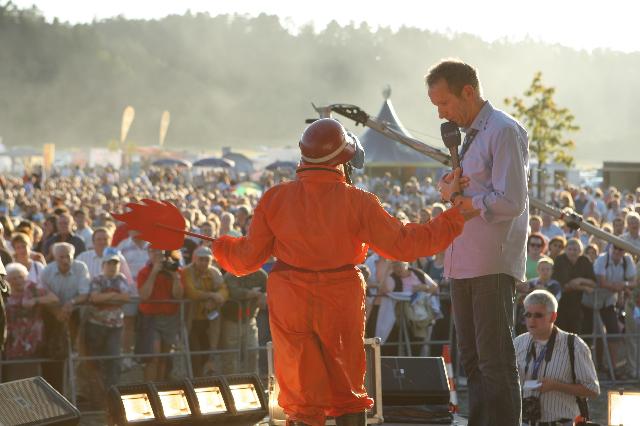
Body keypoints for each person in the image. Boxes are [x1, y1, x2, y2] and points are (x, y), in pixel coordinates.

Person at [212, 118, 468, 426]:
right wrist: (454, 216)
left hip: (290, 299)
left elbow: (245, 260)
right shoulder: (358, 201)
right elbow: (405, 244)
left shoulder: (275, 198)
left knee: (302, 396)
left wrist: (221, 246)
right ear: (343, 160)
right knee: (347, 390)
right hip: (340, 298)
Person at [426, 59, 529, 425]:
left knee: (494, 361)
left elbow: (512, 201)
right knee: (472, 361)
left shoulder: (503, 130)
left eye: (444, 102)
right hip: (462, 262)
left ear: (467, 92)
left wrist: (463, 201)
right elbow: (471, 191)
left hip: (490, 262)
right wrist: (449, 188)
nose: (441, 113)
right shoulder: (469, 136)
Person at [514, 290, 599, 425]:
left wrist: (556, 386)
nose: (531, 320)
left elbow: (592, 390)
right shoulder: (518, 343)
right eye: (528, 315)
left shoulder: (574, 345)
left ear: (553, 317)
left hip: (561, 422)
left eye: (538, 315)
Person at [84, 251, 131, 402]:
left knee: (114, 359)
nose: (112, 267)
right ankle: (96, 397)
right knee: (95, 361)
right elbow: (95, 298)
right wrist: (114, 296)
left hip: (116, 326)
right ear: (103, 265)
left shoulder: (121, 278)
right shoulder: (97, 279)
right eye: (109, 263)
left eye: (115, 264)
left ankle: (112, 395)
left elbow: (126, 297)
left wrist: (107, 297)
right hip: (96, 325)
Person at [582, 245, 636, 378]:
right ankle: (586, 369)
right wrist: (621, 287)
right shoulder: (602, 259)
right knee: (590, 335)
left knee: (614, 333)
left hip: (608, 302)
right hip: (590, 302)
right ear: (611, 248)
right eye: (615, 248)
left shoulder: (627, 260)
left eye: (620, 249)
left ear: (624, 251)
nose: (617, 251)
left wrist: (623, 286)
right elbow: (602, 282)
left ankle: (612, 369)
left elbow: (633, 282)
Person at [2, 263, 58, 381]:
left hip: (33, 340)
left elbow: (54, 299)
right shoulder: (4, 292)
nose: (18, 281)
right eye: (14, 278)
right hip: (12, 341)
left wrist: (35, 300)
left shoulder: (32, 288)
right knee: (13, 377)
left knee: (33, 376)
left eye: (20, 277)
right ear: (7, 280)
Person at [135, 248, 183, 382]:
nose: (157, 255)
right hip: (151, 318)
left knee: (164, 357)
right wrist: (154, 273)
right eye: (153, 251)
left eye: (160, 252)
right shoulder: (144, 272)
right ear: (149, 254)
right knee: (153, 357)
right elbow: (144, 295)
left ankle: (160, 386)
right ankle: (150, 387)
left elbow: (178, 295)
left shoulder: (175, 270)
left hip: (170, 318)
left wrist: (174, 276)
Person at [182, 246, 227, 376]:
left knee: (207, 351)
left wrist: (217, 298)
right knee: (194, 352)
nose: (203, 263)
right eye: (201, 259)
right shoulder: (187, 272)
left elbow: (224, 290)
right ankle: (195, 379)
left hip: (209, 321)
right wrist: (211, 296)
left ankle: (204, 378)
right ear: (195, 259)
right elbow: (190, 292)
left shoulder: (214, 272)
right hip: (191, 320)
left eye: (206, 260)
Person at [553, 238, 596, 334]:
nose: (572, 252)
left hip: (580, 304)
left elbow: (593, 283)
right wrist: (584, 287)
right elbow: (565, 285)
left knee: (577, 332)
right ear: (565, 250)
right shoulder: (560, 260)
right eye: (570, 249)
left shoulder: (585, 260)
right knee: (561, 332)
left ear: (580, 251)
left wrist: (580, 280)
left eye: (575, 249)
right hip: (562, 303)